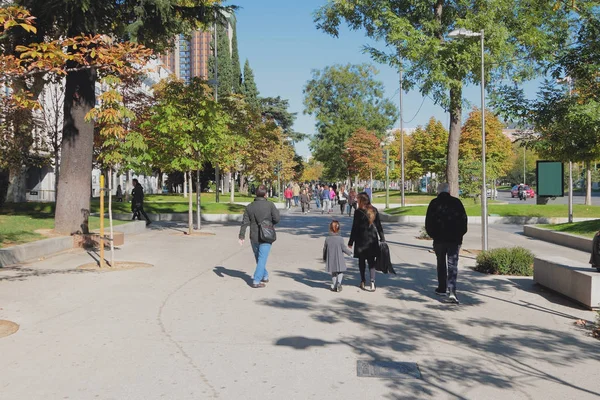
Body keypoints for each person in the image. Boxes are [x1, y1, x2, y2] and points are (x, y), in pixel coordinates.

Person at [425, 183, 468, 304]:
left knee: (441, 263)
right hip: (454, 239)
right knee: (452, 264)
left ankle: (442, 287)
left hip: (439, 239)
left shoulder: (434, 203)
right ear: (449, 191)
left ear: (438, 192)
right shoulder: (457, 203)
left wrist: (433, 235)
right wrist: (460, 234)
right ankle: (452, 291)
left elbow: (428, 222)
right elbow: (464, 220)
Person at [239, 184, 281, 288]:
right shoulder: (270, 205)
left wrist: (241, 235)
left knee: (259, 258)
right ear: (265, 194)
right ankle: (256, 281)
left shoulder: (249, 207)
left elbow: (245, 222)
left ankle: (265, 276)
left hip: (254, 236)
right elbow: (277, 219)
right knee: (262, 258)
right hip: (267, 235)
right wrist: (269, 224)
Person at [348, 193, 385, 291]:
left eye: (358, 199)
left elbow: (354, 228)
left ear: (361, 201)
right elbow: (379, 226)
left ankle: (363, 281)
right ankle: (372, 282)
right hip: (372, 240)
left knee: (361, 262)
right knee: (371, 262)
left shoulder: (358, 212)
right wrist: (382, 238)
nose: (357, 201)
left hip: (361, 240)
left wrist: (351, 242)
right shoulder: (374, 210)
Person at [323, 220, 353, 292]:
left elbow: (325, 249)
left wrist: (324, 257)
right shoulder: (340, 239)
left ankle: (334, 285)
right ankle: (339, 283)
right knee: (340, 271)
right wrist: (350, 253)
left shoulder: (327, 239)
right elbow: (344, 248)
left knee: (333, 272)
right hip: (339, 258)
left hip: (331, 258)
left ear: (330, 228)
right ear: (338, 229)